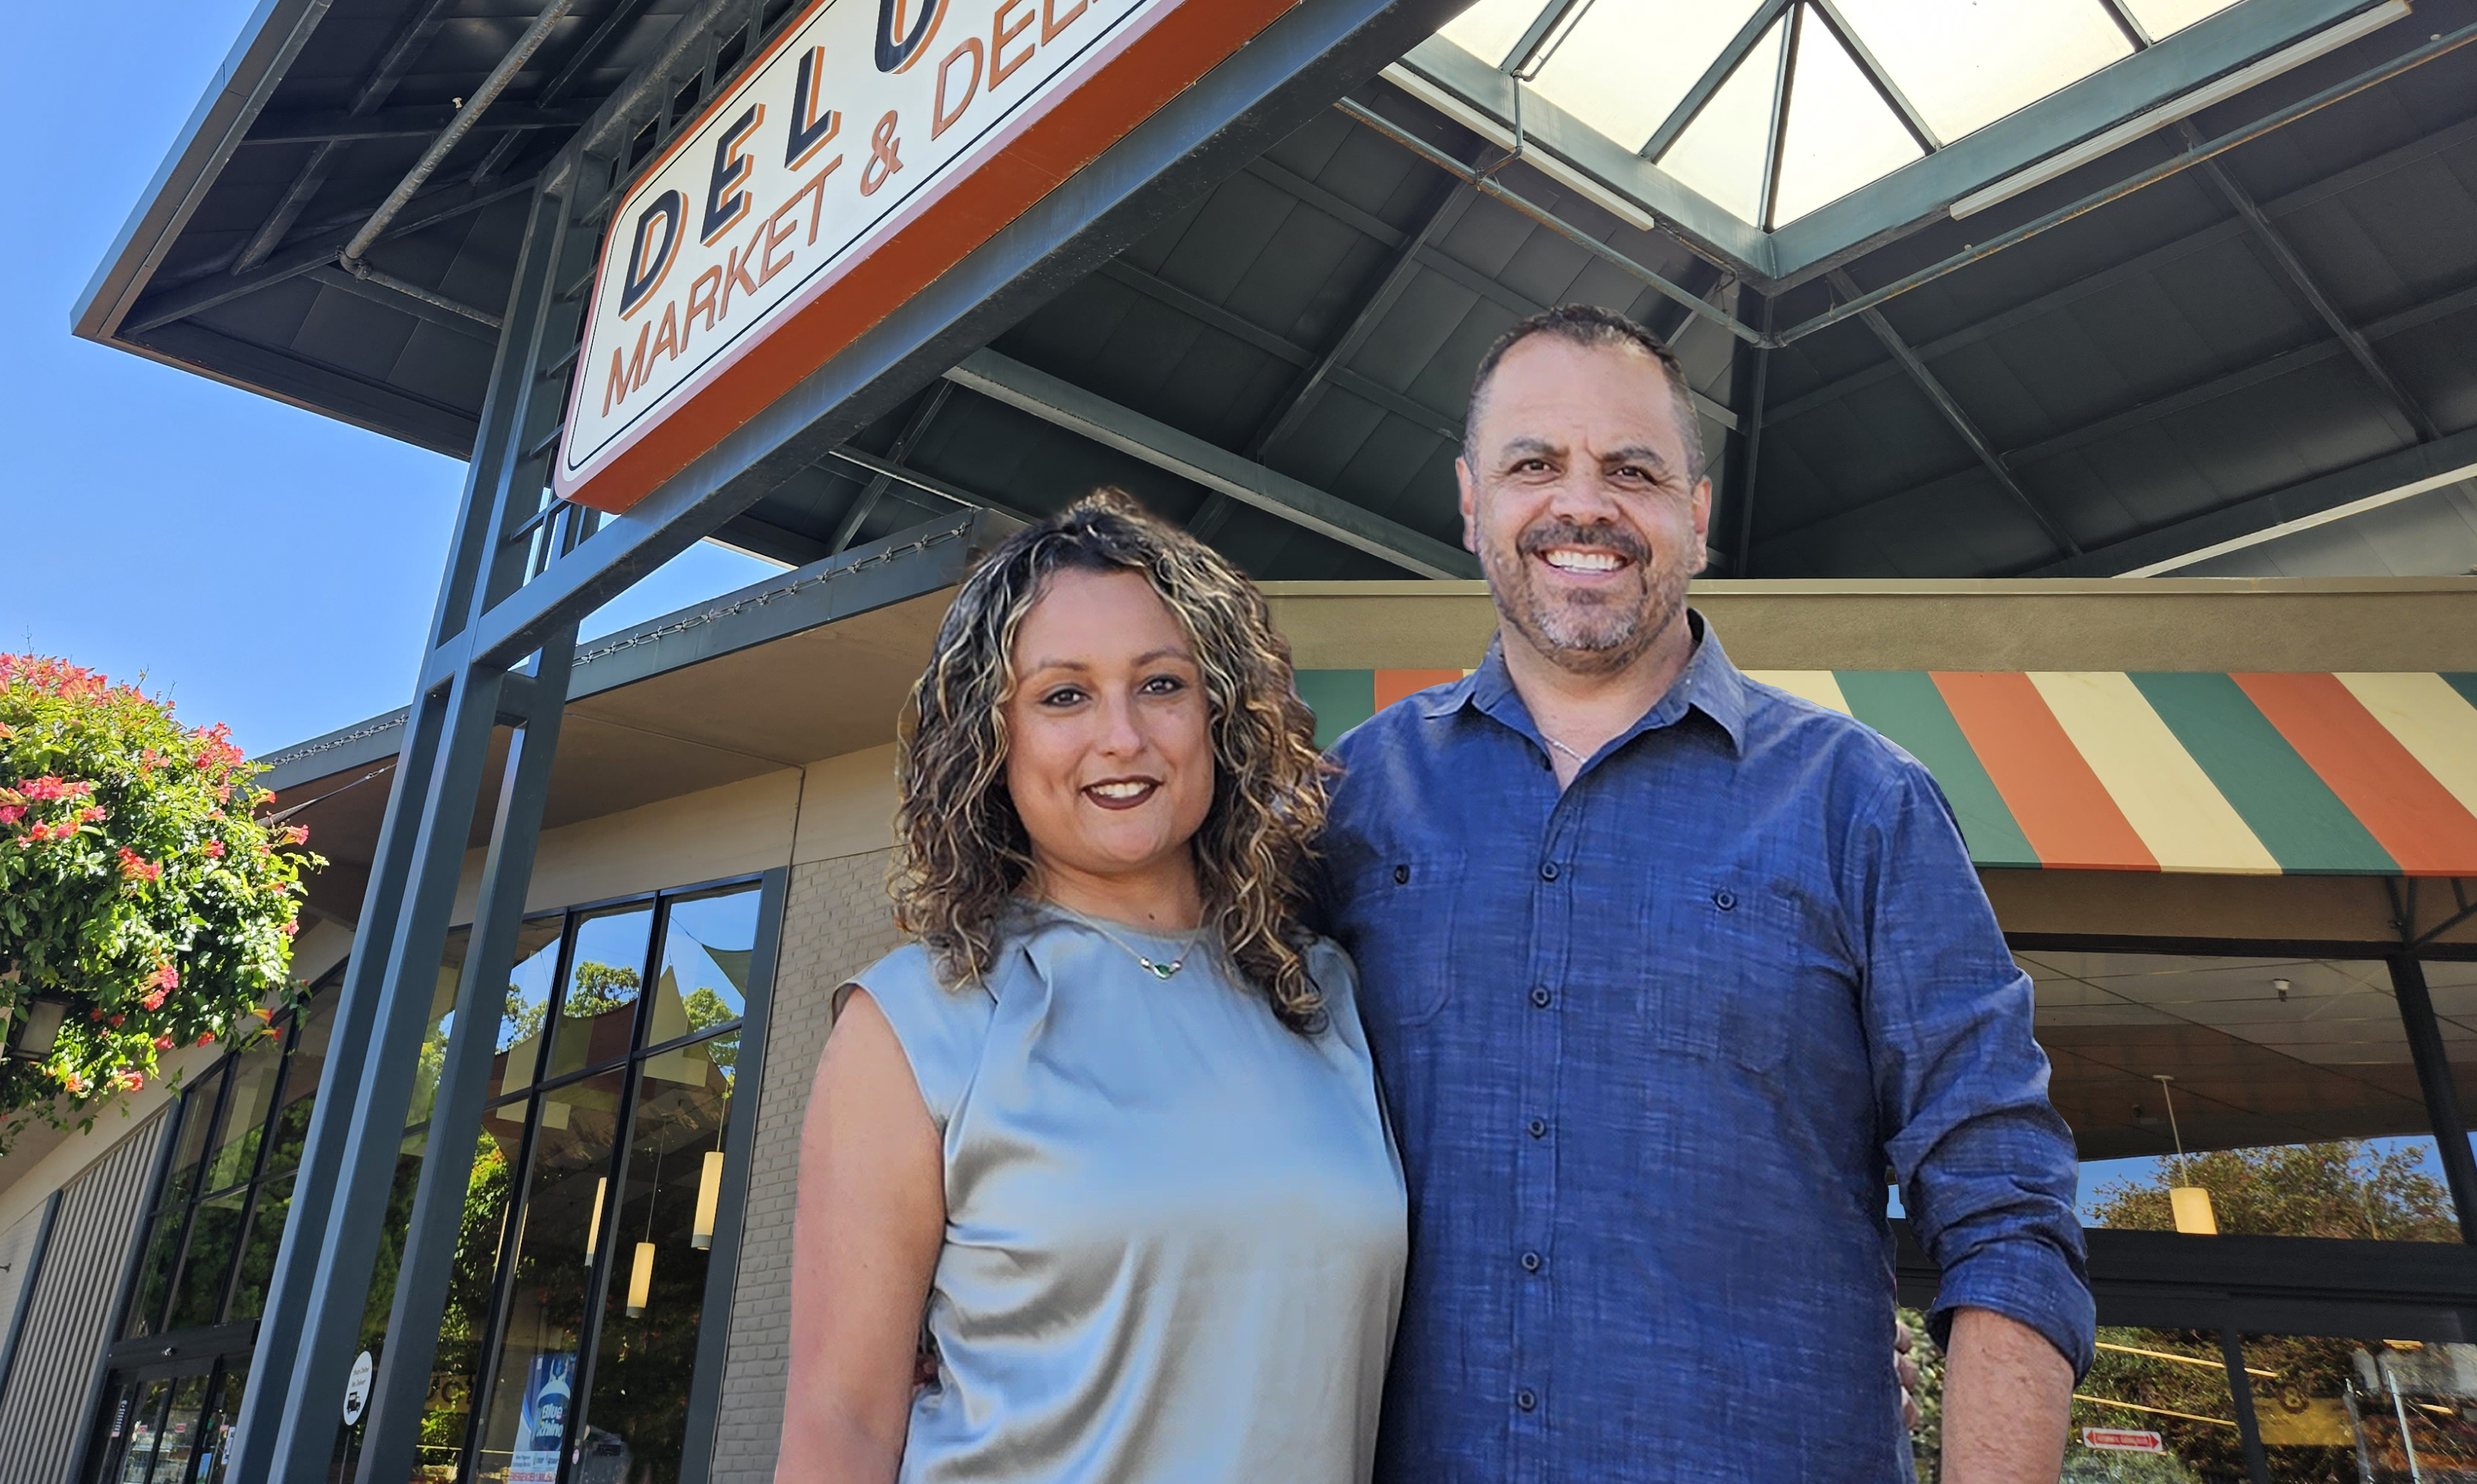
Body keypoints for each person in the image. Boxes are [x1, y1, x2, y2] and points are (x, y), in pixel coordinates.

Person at [1320, 303, 2096, 1483]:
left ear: (1693, 509)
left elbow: (2005, 1211)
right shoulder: (1346, 803)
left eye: (1629, 469)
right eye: (1536, 464)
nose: (1582, 504)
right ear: (1473, 499)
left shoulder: (1862, 804)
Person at [774, 494, 1407, 1484]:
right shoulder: (918, 1024)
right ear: (996, 739)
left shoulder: (1321, 994)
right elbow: (839, 1430)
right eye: (1063, 695)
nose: (1121, 736)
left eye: (1160, 683)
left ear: (1219, 713)